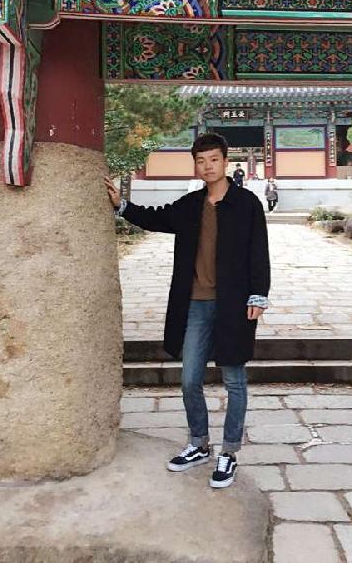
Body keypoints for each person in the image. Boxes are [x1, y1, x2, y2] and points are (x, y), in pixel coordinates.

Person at [104, 133, 270, 489]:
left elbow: (259, 251)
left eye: (214, 159)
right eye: (201, 161)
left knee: (234, 380)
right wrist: (122, 205)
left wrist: (258, 296)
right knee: (190, 379)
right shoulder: (191, 204)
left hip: (233, 304)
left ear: (225, 161)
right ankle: (199, 443)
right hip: (195, 303)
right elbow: (157, 218)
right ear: (195, 165)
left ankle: (229, 451)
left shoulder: (247, 204)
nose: (207, 166)